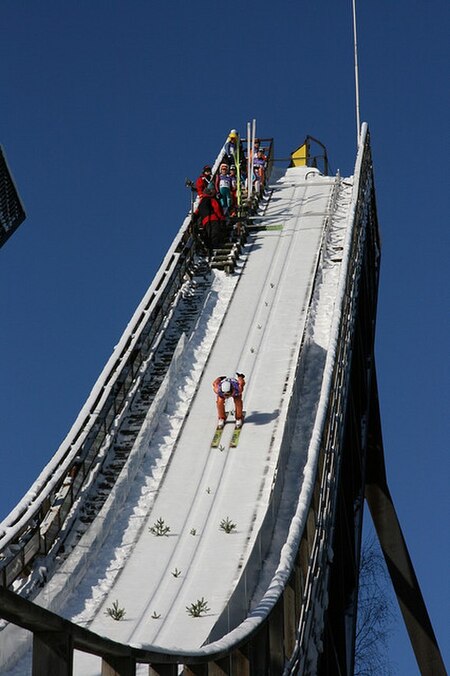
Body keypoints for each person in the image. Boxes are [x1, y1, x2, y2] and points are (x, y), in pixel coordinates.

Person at [194, 185, 226, 256]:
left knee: (209, 234)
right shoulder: (211, 199)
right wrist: (221, 218)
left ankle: (209, 248)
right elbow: (217, 209)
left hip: (205, 221)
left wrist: (194, 218)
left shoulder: (202, 202)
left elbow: (197, 212)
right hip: (213, 218)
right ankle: (215, 247)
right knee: (215, 232)